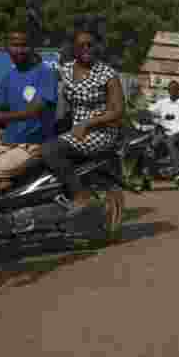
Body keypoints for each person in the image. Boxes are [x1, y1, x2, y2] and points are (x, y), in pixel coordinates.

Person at [40, 22, 125, 215]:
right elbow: (42, 84)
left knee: (50, 149)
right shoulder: (65, 70)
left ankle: (80, 195)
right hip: (75, 128)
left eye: (90, 44)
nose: (86, 48)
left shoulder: (107, 74)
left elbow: (118, 111)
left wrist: (88, 123)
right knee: (36, 146)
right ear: (74, 48)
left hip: (100, 130)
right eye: (81, 45)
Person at [0, 19, 59, 192]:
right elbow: (0, 110)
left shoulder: (45, 73)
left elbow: (34, 111)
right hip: (6, 145)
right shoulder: (8, 78)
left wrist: (0, 117)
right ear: (7, 47)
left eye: (24, 45)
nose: (19, 50)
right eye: (14, 45)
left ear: (32, 47)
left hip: (33, 147)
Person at [148, 80, 179, 180]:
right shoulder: (162, 103)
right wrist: (153, 120)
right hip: (165, 134)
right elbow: (148, 112)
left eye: (176, 89)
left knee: (170, 140)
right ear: (168, 91)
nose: (173, 91)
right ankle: (149, 173)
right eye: (171, 90)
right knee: (149, 143)